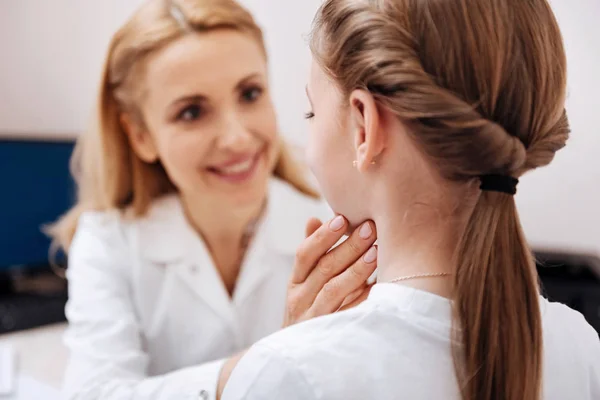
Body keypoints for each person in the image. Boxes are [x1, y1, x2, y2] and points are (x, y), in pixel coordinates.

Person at [222, 0, 600, 399]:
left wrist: (288, 355)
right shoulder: (581, 348)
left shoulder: (291, 373)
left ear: (364, 126)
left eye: (311, 113)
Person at [48, 0, 379, 399]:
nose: (237, 137)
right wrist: (275, 358)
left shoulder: (335, 228)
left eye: (250, 93)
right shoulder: (108, 241)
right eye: (191, 112)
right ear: (141, 136)